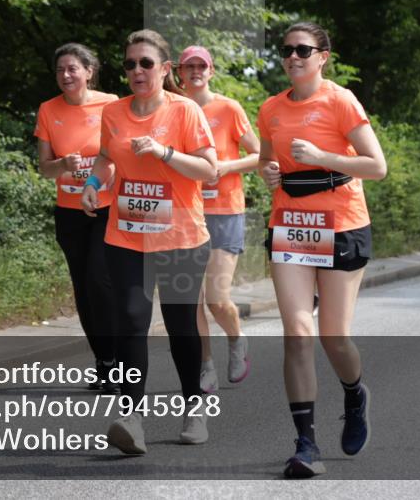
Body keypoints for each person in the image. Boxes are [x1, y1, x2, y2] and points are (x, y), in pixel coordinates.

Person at [257, 22, 387, 478]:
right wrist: (269, 172)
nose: (293, 56)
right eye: (287, 49)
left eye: (303, 50)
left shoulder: (340, 99)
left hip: (341, 222)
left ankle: (354, 393)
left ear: (322, 56)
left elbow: (376, 165)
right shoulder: (270, 108)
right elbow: (264, 159)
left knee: (334, 337)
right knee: (296, 331)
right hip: (291, 222)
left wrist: (322, 156)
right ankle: (305, 443)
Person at [81, 29, 217, 454]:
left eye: (145, 63)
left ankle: (193, 406)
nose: (136, 71)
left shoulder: (186, 111)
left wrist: (164, 153)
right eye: (129, 64)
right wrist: (93, 181)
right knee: (130, 321)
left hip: (180, 237)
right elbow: (107, 156)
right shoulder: (114, 112)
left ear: (165, 69)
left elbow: (209, 170)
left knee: (180, 327)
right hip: (127, 234)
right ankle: (130, 417)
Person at [35, 44, 120, 392]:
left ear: (89, 71)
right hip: (69, 214)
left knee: (101, 282)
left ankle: (117, 362)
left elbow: (117, 154)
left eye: (72, 68)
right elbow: (43, 169)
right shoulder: (48, 109)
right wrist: (63, 165)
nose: (66, 76)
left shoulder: (111, 103)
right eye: (60, 70)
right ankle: (102, 360)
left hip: (106, 207)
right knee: (83, 289)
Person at [177, 45, 260, 392]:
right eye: (189, 66)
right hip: (184, 212)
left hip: (225, 210)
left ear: (211, 71)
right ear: (179, 73)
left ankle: (236, 338)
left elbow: (259, 154)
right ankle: (205, 364)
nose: (195, 71)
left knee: (216, 297)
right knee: (191, 299)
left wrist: (225, 166)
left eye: (202, 65)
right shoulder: (173, 109)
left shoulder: (228, 108)